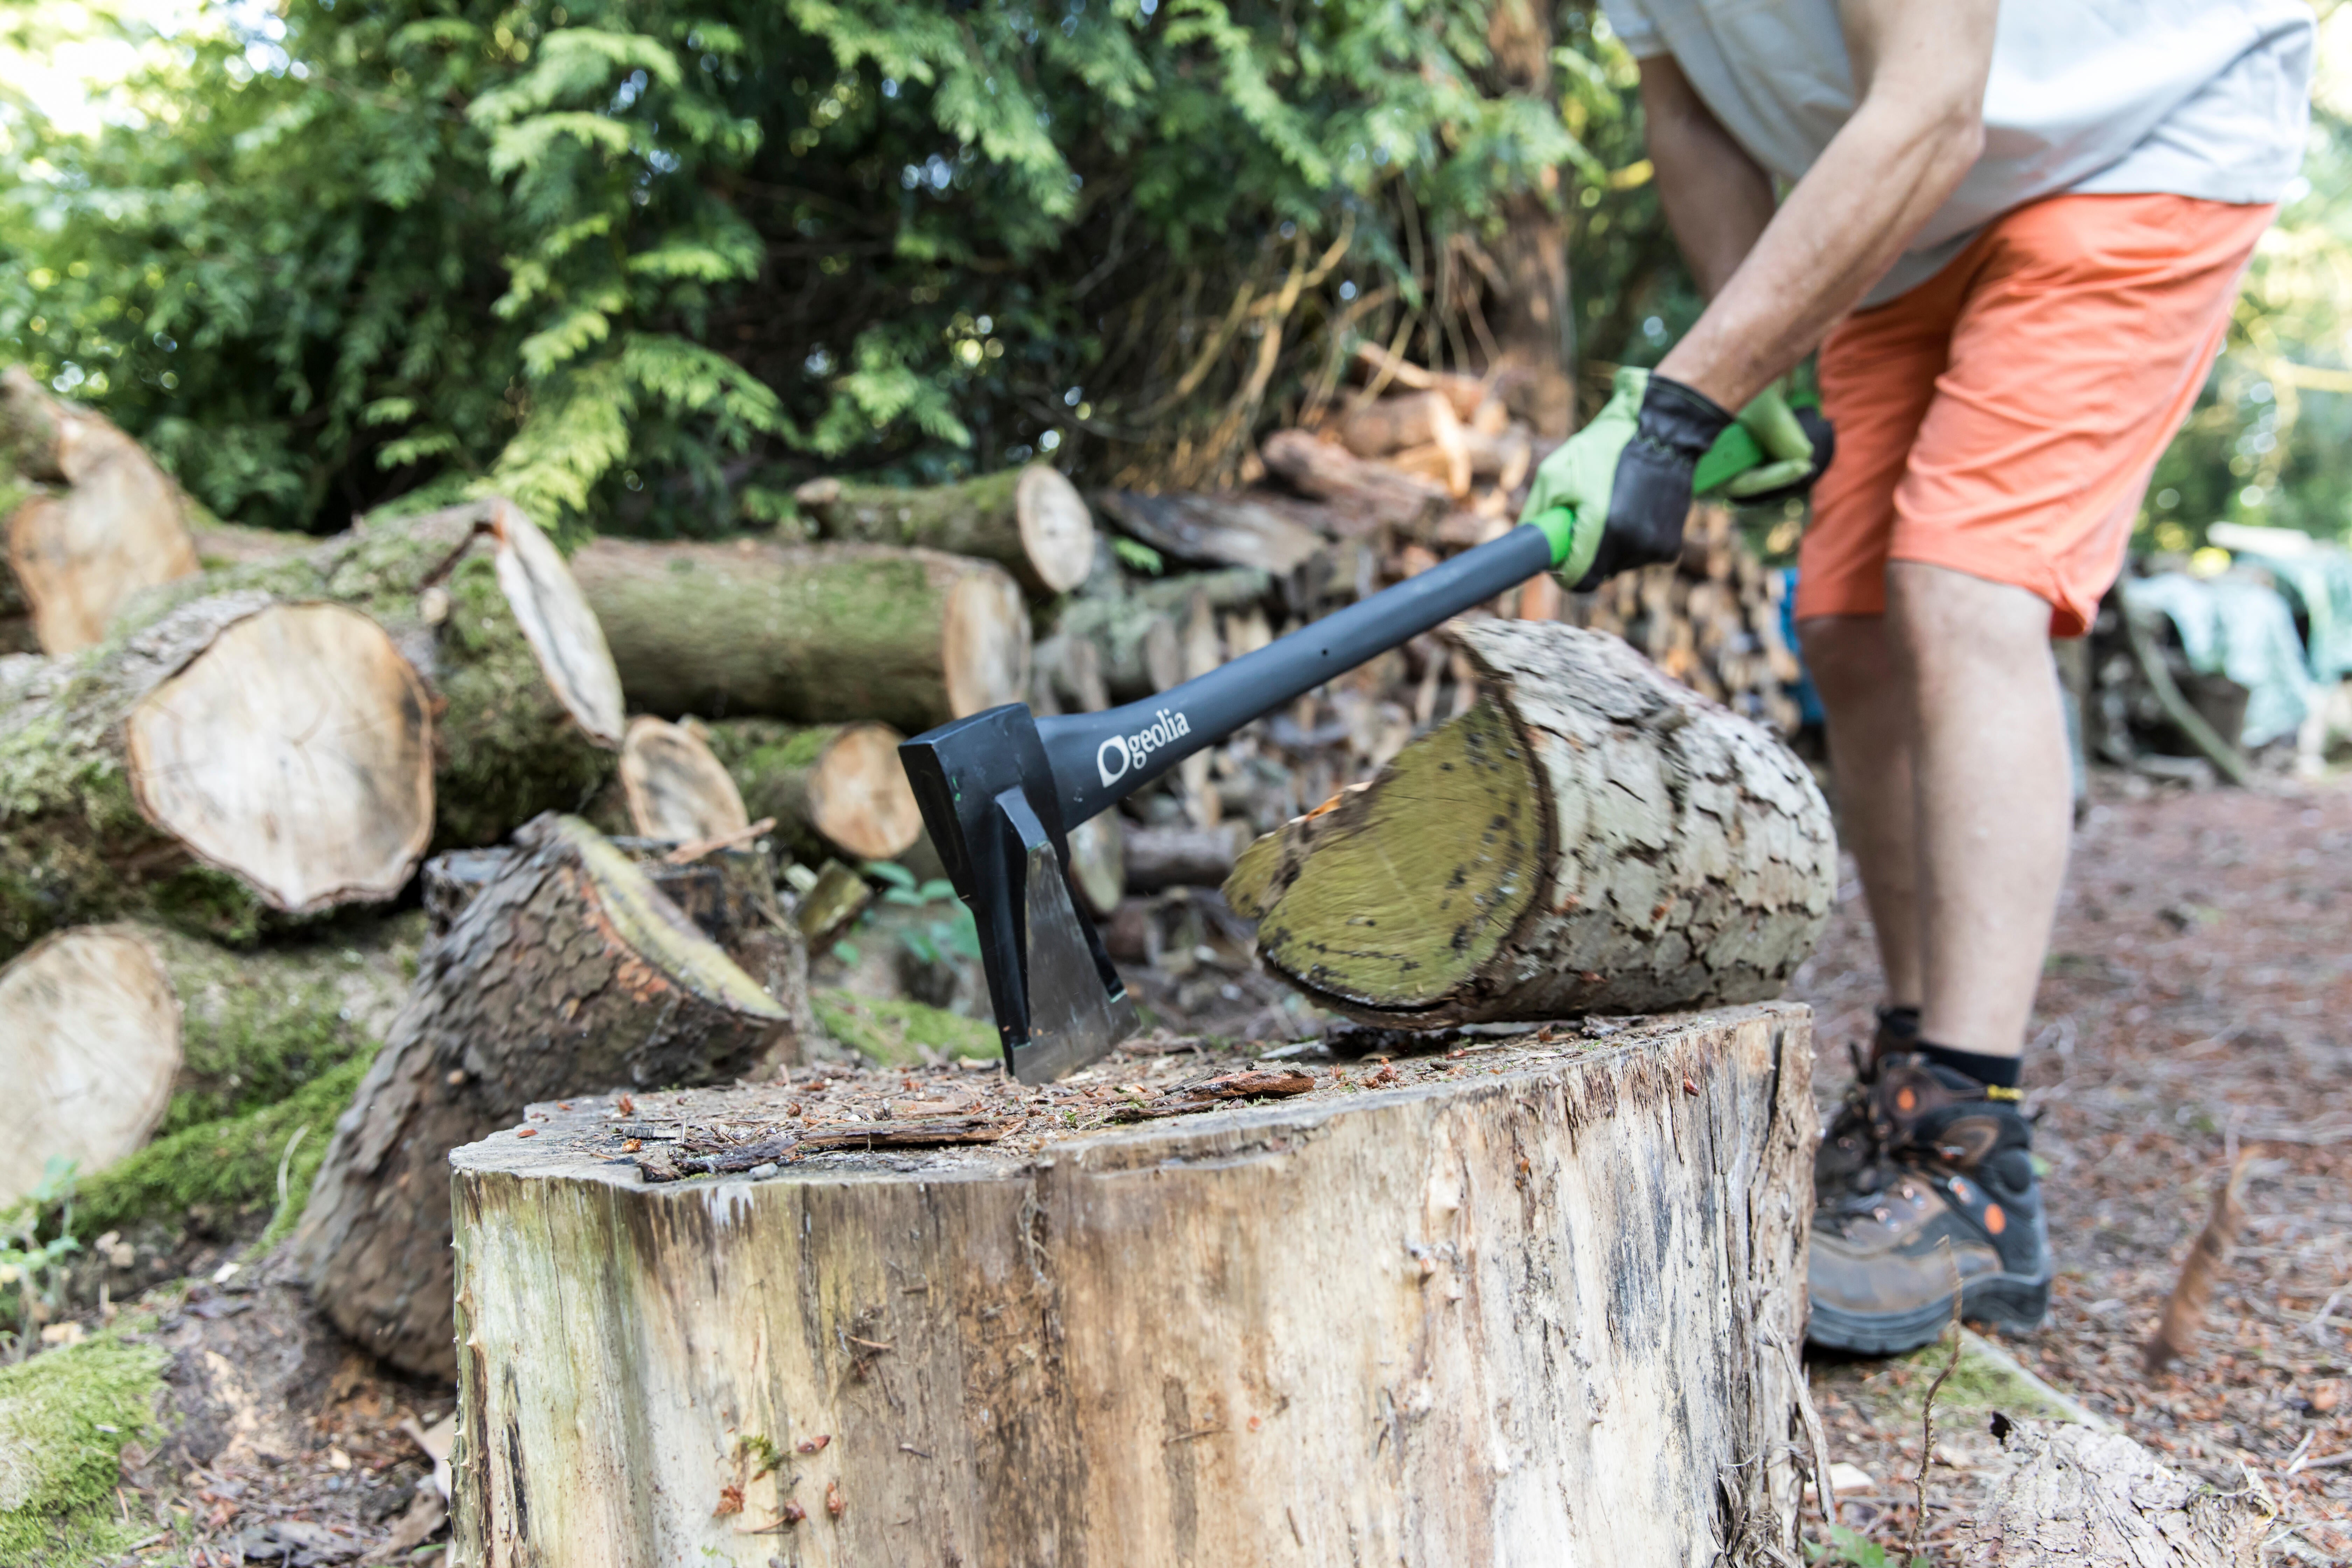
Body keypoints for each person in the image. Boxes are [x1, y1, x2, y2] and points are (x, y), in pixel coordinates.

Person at [1520, 0, 2313, 1353]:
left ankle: (1975, 1156)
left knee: (1964, 584)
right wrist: (1744, 351)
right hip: (1906, 221)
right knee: (1850, 620)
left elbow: (1935, 95)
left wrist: (1679, 403)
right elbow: (1689, 108)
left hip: (2139, 128)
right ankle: (1913, 1097)